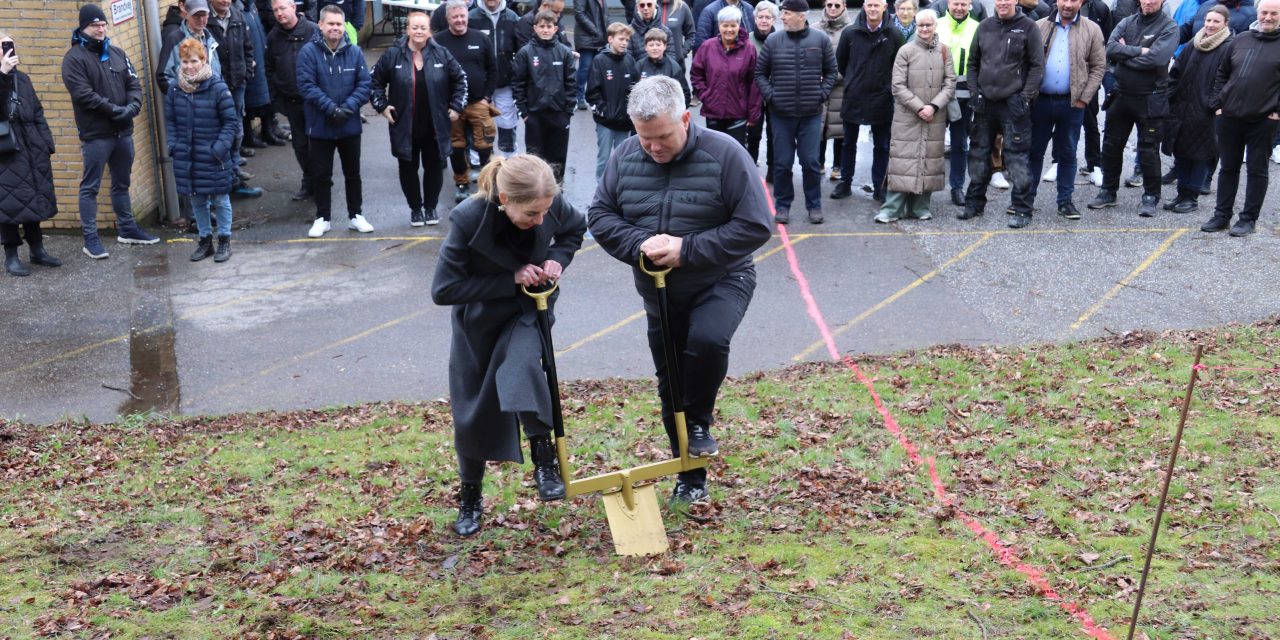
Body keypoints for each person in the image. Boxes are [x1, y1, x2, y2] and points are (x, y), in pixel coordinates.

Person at [588, 76, 772, 505]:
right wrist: (639, 245)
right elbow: (600, 214)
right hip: (659, 291)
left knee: (706, 341)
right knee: (671, 381)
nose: (653, 147)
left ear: (686, 119)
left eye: (662, 137)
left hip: (722, 278)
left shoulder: (726, 154)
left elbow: (756, 224)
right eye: (644, 138)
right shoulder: (625, 155)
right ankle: (690, 476)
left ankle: (701, 424)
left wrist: (686, 249)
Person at [431, 154, 587, 537]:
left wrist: (555, 259)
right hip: (479, 320)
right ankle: (470, 497)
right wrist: (511, 277)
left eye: (545, 212)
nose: (540, 221)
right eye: (531, 214)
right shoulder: (469, 218)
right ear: (504, 199)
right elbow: (443, 289)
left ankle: (543, 457)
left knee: (522, 366)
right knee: (472, 410)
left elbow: (573, 230)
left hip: (528, 309)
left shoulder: (547, 199)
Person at [62, 4, 158, 259]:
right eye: (95, 25)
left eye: (103, 24)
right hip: (96, 135)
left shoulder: (117, 53)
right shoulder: (74, 59)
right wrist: (116, 110)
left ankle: (127, 229)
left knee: (122, 183)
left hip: (123, 132)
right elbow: (84, 95)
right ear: (83, 28)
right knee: (90, 187)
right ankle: (90, 240)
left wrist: (132, 107)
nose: (101, 29)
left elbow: (133, 84)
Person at [371, 10, 467, 227]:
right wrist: (382, 106)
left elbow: (460, 79)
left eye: (423, 27)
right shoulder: (393, 54)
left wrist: (456, 106)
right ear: (407, 30)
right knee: (408, 168)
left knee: (434, 167)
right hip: (404, 125)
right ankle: (415, 209)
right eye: (414, 27)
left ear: (429, 30)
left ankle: (431, 208)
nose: (419, 31)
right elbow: (374, 81)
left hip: (435, 126)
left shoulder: (442, 53)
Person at [1087, 0, 1176, 216]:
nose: (1148, 1)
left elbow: (1157, 59)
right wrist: (1139, 50)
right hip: (1122, 94)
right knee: (1110, 146)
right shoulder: (1127, 21)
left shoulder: (1169, 27)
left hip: (1150, 98)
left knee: (1148, 150)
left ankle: (1150, 196)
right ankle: (1108, 191)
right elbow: (1110, 48)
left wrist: (1125, 57)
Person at [960, 0, 1044, 228]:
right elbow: (973, 63)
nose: (1003, 2)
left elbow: (1037, 66)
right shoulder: (984, 26)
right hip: (985, 103)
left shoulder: (1029, 27)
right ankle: (974, 204)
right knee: (978, 154)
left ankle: (1022, 209)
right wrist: (974, 92)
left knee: (1016, 158)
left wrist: (1025, 97)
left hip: (1013, 104)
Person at [1201, 0, 1280, 236]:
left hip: (1263, 119)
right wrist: (1217, 105)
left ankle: (1248, 219)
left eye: (1274, 13)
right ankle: (1222, 216)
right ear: (1258, 13)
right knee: (1228, 168)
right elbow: (1222, 73)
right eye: (1264, 12)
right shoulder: (1241, 39)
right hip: (1229, 117)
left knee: (1257, 170)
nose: (1268, 17)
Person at [755, 0, 837, 224]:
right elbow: (760, 74)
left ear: (802, 15)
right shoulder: (773, 41)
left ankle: (814, 205)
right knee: (782, 163)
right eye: (782, 12)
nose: (782, 17)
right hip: (780, 115)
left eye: (787, 13)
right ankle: (782, 206)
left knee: (810, 162)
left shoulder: (820, 40)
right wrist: (772, 97)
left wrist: (821, 95)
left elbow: (832, 72)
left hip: (811, 114)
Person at [297, 4, 373, 237]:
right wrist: (331, 109)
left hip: (349, 125)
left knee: (353, 174)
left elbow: (364, 84)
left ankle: (356, 215)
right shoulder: (308, 52)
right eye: (330, 23)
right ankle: (323, 217)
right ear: (320, 25)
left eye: (339, 24)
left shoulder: (355, 52)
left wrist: (347, 108)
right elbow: (306, 85)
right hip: (321, 127)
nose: (335, 28)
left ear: (344, 26)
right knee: (322, 175)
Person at [1025, 0, 1105, 220]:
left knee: (1068, 153)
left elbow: (1099, 66)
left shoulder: (1092, 29)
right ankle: (1025, 200)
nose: (1068, 4)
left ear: (1081, 2)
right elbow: (1027, 62)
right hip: (1040, 102)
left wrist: (1083, 99)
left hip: (1072, 105)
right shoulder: (1039, 26)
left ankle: (1065, 202)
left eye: (1074, 0)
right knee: (1034, 152)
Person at [166, 38, 240, 263]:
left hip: (213, 157)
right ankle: (205, 240)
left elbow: (231, 123)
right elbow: (170, 121)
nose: (189, 66)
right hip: (188, 157)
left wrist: (218, 149)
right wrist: (174, 146)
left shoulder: (217, 87)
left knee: (220, 199)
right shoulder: (175, 90)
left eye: (194, 61)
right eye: (185, 62)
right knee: (197, 201)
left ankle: (224, 241)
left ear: (204, 60)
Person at [878, 9, 956, 221]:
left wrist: (934, 106)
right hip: (908, 116)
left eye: (928, 25)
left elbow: (950, 83)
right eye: (920, 25)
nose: (924, 29)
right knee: (902, 161)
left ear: (935, 27)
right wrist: (920, 107)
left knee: (929, 160)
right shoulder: (905, 51)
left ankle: (920, 207)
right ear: (916, 26)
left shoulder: (945, 52)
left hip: (935, 116)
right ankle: (891, 209)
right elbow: (897, 85)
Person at [0, 31, 61, 276]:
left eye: (9, 46)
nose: (7, 50)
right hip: (5, 151)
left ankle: (37, 249)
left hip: (31, 149)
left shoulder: (22, 79)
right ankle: (11, 256)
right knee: (8, 205)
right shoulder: (4, 78)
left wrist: (46, 143)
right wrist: (2, 75)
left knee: (32, 199)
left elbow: (37, 112)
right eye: (3, 46)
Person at [1162, 4, 1232, 214]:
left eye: (1215, 21)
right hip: (1182, 107)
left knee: (1200, 154)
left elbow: (1228, 81)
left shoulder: (1229, 47)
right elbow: (1176, 71)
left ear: (1225, 24)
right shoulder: (1195, 42)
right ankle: (1181, 193)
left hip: (1206, 111)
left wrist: (1213, 104)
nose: (1210, 25)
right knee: (1181, 152)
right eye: (1208, 20)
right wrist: (1171, 95)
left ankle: (1191, 197)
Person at [832, 0, 904, 202]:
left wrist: (886, 86)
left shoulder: (894, 35)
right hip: (854, 96)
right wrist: (854, 81)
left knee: (882, 145)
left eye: (876, 5)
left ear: (884, 7)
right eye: (869, 5)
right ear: (864, 7)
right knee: (848, 143)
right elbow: (841, 62)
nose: (872, 9)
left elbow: (898, 66)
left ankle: (879, 186)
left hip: (881, 98)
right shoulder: (850, 33)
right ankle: (845, 182)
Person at [436, 0, 499, 202]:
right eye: (455, 16)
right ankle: (461, 183)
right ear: (448, 19)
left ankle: (488, 183)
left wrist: (487, 97)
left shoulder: (481, 38)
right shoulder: (438, 41)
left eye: (462, 16)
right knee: (456, 146)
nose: (460, 20)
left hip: (478, 103)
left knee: (485, 145)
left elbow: (493, 69)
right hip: (452, 106)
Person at [512, 10, 576, 183]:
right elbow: (518, 84)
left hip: (559, 115)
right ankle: (536, 189)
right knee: (535, 158)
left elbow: (571, 84)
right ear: (535, 28)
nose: (545, 30)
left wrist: (568, 112)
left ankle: (557, 189)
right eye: (542, 26)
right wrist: (524, 113)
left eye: (549, 26)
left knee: (558, 156)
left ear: (555, 29)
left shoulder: (564, 52)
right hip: (534, 116)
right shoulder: (525, 53)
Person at [266, 0, 319, 201]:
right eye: (276, 10)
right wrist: (276, 98)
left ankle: (320, 182)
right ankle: (309, 181)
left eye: (283, 8)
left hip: (315, 101)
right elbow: (269, 68)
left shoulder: (314, 31)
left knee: (318, 145)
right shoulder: (273, 37)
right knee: (300, 146)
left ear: (293, 7)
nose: (280, 13)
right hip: (291, 101)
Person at [690, 6, 761, 148]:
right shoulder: (707, 47)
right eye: (725, 25)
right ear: (719, 26)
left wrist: (753, 112)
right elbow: (696, 74)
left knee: (735, 152)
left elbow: (754, 83)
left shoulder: (749, 49)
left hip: (738, 112)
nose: (729, 29)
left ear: (739, 25)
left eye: (733, 25)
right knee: (714, 152)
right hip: (713, 111)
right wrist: (705, 95)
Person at [938, 0, 980, 206]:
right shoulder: (936, 24)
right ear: (948, 3)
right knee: (930, 144)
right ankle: (926, 186)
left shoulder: (977, 28)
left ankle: (957, 187)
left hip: (964, 96)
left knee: (959, 144)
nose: (959, 8)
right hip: (936, 94)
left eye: (964, 4)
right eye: (956, 3)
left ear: (970, 5)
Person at [470, 0, 522, 156]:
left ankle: (509, 160)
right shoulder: (471, 17)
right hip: (480, 83)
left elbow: (521, 50)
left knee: (507, 123)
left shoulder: (513, 17)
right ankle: (480, 163)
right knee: (479, 123)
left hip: (505, 81)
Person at [587, 22, 639, 178]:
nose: (624, 43)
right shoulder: (599, 61)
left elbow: (635, 89)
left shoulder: (630, 60)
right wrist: (605, 112)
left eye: (627, 40)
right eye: (621, 39)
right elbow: (591, 93)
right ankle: (600, 195)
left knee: (622, 160)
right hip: (606, 122)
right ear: (610, 39)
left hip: (624, 122)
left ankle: (619, 193)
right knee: (604, 160)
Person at [817, 0, 850, 185]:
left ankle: (838, 165)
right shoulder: (814, 28)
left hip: (841, 87)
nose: (832, 9)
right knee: (819, 126)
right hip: (818, 86)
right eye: (829, 4)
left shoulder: (851, 30)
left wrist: (831, 77)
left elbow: (853, 62)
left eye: (837, 5)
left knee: (839, 128)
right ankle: (819, 162)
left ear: (844, 5)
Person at [157, 0, 223, 94]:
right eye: (196, 15)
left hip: (213, 101)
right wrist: (182, 96)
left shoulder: (209, 38)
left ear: (208, 15)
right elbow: (163, 77)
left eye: (203, 15)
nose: (201, 19)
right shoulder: (174, 39)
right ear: (187, 15)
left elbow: (217, 71)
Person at [748, 1, 777, 176]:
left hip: (775, 93)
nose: (764, 20)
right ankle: (750, 169)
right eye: (760, 17)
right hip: (753, 94)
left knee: (774, 134)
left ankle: (772, 170)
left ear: (774, 19)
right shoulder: (747, 40)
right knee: (753, 134)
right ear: (755, 18)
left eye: (768, 17)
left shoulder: (781, 38)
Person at [634, 29, 692, 108]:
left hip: (667, 115)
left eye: (658, 45)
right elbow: (631, 93)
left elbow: (684, 94)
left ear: (665, 46)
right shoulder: (639, 66)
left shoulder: (674, 67)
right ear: (645, 47)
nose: (655, 48)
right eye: (651, 45)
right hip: (645, 115)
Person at [575, 0, 609, 110]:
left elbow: (604, 16)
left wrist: (608, 32)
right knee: (585, 67)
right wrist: (595, 31)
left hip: (599, 38)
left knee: (598, 69)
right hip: (586, 38)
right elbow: (579, 14)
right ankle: (579, 97)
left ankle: (594, 98)